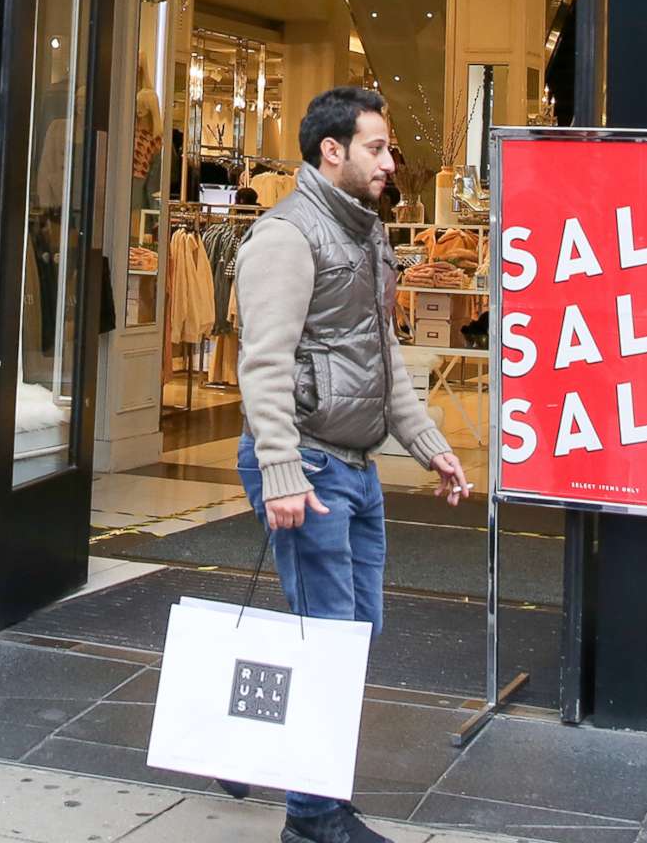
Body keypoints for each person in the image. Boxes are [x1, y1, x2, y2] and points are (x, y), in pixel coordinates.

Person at [234, 86, 472, 843]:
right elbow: (263, 366)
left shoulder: (366, 235)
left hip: (356, 466)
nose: (389, 160)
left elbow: (384, 362)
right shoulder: (286, 236)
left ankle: (253, 742)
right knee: (331, 640)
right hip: (307, 463)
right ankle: (312, 816)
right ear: (330, 151)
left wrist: (430, 446)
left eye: (389, 147)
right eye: (376, 146)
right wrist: (280, 471)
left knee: (354, 632)